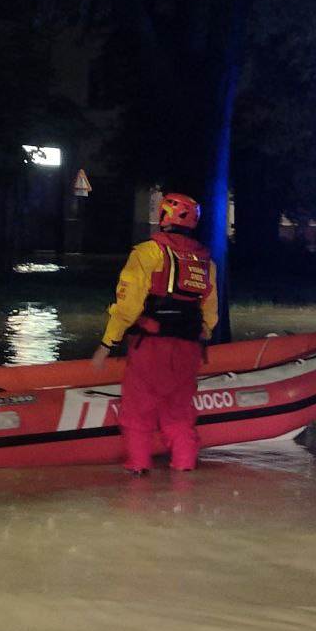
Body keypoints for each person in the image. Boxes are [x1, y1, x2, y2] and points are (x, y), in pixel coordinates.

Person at [90, 192, 218, 474]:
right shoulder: (205, 262)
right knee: (179, 413)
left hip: (151, 347)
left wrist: (107, 344)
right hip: (187, 349)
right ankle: (184, 468)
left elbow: (128, 306)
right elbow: (209, 312)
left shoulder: (148, 253)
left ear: (164, 216)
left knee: (137, 411)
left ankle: (138, 466)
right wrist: (203, 336)